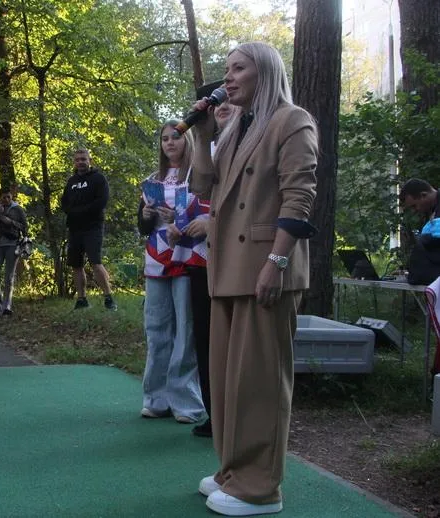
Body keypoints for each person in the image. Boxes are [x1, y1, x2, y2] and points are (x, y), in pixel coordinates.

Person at [190, 42, 318, 516]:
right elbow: (203, 186)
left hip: (266, 268)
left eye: (238, 68)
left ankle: (261, 488)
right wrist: (203, 135)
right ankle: (233, 471)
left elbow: (299, 196)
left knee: (260, 382)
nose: (229, 78)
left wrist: (278, 264)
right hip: (227, 271)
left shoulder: (292, 119)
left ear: (264, 71)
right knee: (228, 382)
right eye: (227, 70)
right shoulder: (238, 129)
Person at [137, 121, 207, 425]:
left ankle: (187, 403)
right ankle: (155, 398)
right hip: (156, 260)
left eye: (176, 137)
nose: (170, 143)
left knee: (186, 330)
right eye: (165, 139)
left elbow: (207, 214)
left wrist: (178, 219)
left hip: (188, 258)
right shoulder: (152, 180)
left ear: (187, 140)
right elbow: (142, 228)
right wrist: (145, 215)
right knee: (156, 328)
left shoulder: (200, 177)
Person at [190, 100, 239, 440]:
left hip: (242, 261)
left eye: (227, 101)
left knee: (240, 349)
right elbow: (200, 186)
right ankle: (215, 417)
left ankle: (240, 426)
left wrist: (213, 221)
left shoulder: (261, 136)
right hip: (202, 263)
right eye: (213, 105)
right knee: (208, 344)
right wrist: (203, 135)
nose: (219, 107)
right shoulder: (210, 146)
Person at [60, 149, 117, 311]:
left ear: (90, 160)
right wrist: (71, 211)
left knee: (95, 261)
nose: (80, 162)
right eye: (77, 160)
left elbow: (101, 202)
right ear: (74, 162)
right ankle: (81, 299)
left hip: (93, 227)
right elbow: (64, 202)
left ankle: (108, 297)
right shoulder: (71, 181)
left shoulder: (99, 179)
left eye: (83, 159)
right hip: (75, 228)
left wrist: (80, 211)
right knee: (75, 264)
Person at [0, 187, 27, 316]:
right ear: (0, 198)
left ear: (12, 197)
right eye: (3, 197)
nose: (6, 199)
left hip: (12, 244)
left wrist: (11, 222)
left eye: (8, 197)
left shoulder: (18, 209)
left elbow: (25, 228)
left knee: (9, 277)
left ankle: (7, 306)